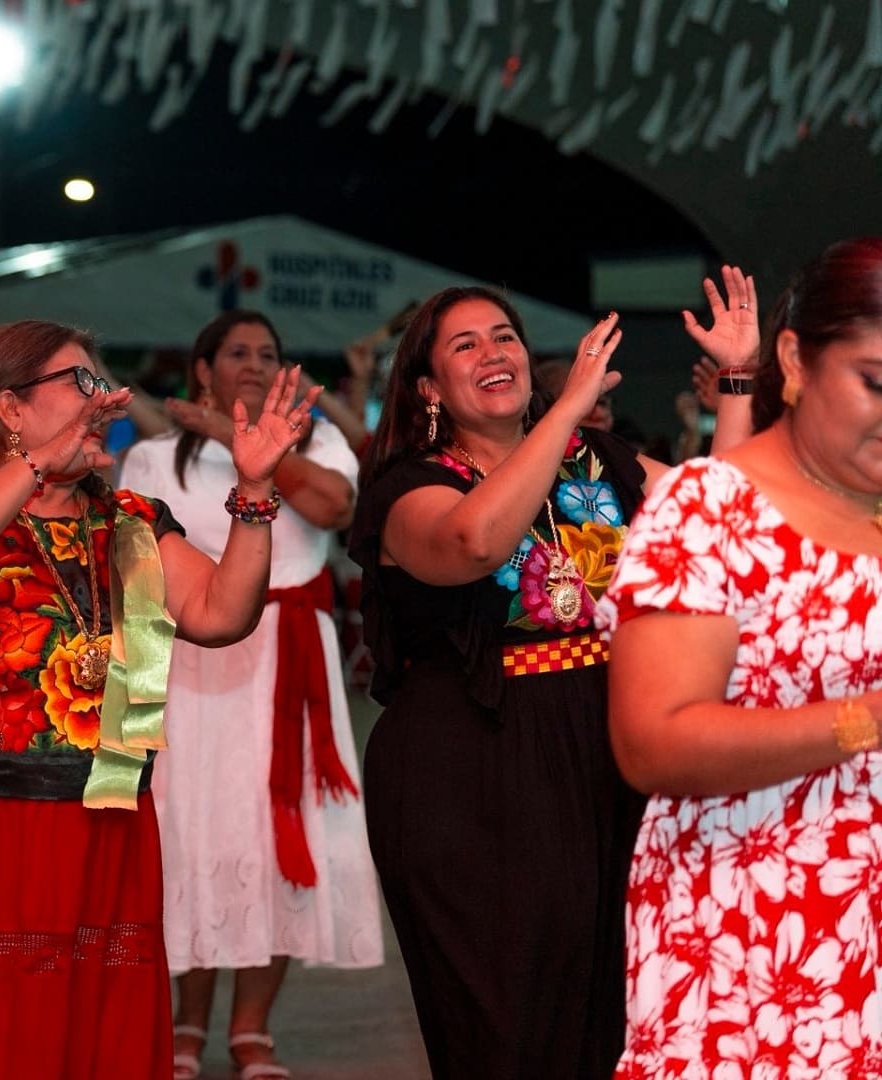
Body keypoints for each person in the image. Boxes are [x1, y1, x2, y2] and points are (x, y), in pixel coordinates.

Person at [0, 319, 319, 1079]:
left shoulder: (129, 523)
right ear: (9, 408)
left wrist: (257, 489)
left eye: (102, 383)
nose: (106, 400)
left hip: (103, 825)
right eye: (83, 384)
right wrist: (35, 468)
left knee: (87, 1039)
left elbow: (222, 615)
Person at [345, 267, 760, 1078]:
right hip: (471, 773)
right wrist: (565, 405)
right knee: (505, 1018)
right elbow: (473, 544)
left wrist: (739, 379)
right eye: (465, 344)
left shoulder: (598, 462)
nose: (493, 352)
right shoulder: (410, 485)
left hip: (604, 756)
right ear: (429, 384)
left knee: (618, 1006)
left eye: (505, 337)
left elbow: (718, 515)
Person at [602, 238, 882, 1078]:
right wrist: (863, 720)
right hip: (758, 927)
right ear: (795, 357)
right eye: (876, 382)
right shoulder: (708, 508)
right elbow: (652, 743)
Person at [121, 311, 384, 1080]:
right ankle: (185, 1025)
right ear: (201, 367)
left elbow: (334, 510)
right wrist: (126, 718)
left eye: (268, 353)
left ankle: (251, 1029)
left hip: (285, 669)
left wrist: (251, 452)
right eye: (236, 352)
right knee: (188, 837)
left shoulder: (319, 443)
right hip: (183, 669)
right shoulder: (150, 458)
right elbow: (136, 584)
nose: (256, 363)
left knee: (275, 839)